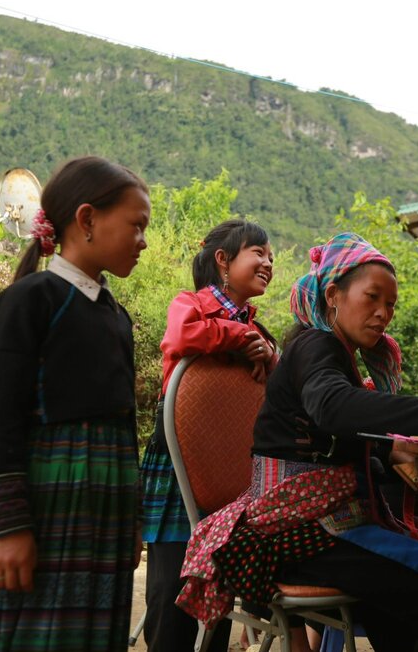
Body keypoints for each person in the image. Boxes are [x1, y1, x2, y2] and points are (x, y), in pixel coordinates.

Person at [175, 232, 418, 652]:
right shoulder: (316, 345)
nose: (383, 313)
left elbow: (340, 431)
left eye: (390, 304)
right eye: (372, 298)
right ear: (333, 295)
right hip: (302, 533)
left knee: (414, 601)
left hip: (313, 528)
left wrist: (396, 446)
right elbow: (332, 407)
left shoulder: (333, 352)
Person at [0, 156, 151, 651]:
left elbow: (124, 423)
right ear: (87, 219)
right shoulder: (33, 298)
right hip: (48, 499)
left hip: (104, 506)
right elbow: (0, 416)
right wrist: (6, 526)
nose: (142, 240)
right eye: (136, 225)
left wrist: (133, 518)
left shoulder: (116, 316)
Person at [139, 219, 277, 652]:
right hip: (180, 459)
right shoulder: (190, 304)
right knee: (173, 581)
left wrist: (270, 355)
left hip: (233, 469)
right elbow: (181, 336)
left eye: (271, 257)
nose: (268, 263)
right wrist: (238, 335)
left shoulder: (259, 330)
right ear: (223, 260)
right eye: (258, 252)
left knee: (215, 582)